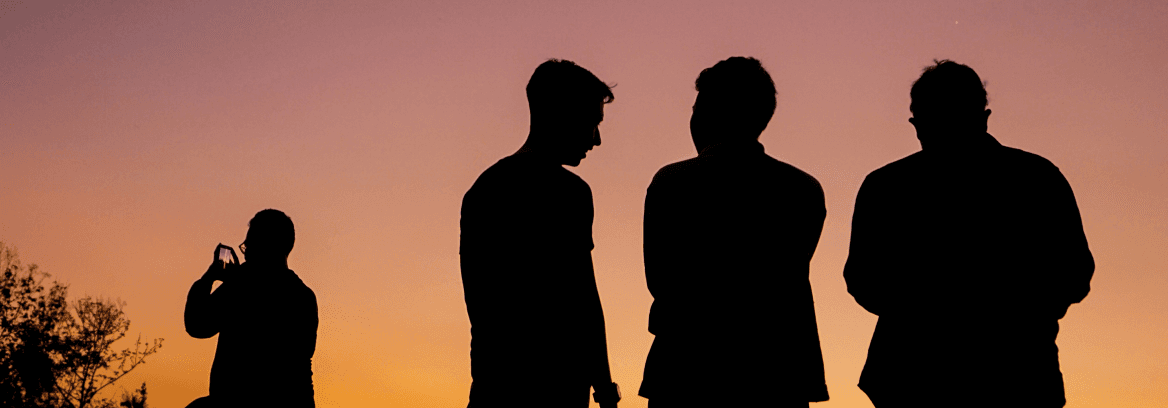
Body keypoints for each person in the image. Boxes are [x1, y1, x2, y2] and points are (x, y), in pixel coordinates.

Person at [843, 60, 1094, 408]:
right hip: (1014, 375)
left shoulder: (886, 186)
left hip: (919, 377)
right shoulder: (1037, 178)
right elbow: (1074, 274)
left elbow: (863, 280)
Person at [638, 57, 830, 407]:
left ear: (710, 113)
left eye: (697, 109)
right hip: (778, 372)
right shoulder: (803, 189)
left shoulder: (672, 182)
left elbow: (660, 280)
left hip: (687, 370)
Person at [459, 59, 621, 408]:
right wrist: (605, 389)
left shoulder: (483, 190)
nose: (597, 139)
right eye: (592, 123)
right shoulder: (570, 193)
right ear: (562, 115)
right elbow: (584, 301)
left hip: (493, 387)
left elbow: (481, 305)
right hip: (555, 391)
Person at [184, 209, 318, 408]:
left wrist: (210, 276)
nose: (246, 253)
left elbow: (197, 325)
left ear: (265, 245)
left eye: (249, 245)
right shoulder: (304, 296)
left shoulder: (242, 284)